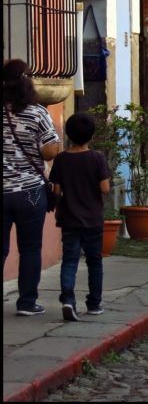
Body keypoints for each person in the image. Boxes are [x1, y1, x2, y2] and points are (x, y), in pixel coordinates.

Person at [3, 59, 62, 316]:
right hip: (30, 192)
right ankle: (27, 303)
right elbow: (49, 152)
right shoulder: (37, 112)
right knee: (29, 248)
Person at [49, 112, 111, 321]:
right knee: (94, 262)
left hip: (69, 218)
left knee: (69, 261)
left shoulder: (61, 159)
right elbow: (105, 188)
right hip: (92, 219)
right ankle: (94, 304)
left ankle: (68, 299)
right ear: (91, 135)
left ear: (68, 134)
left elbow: (56, 191)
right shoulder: (97, 158)